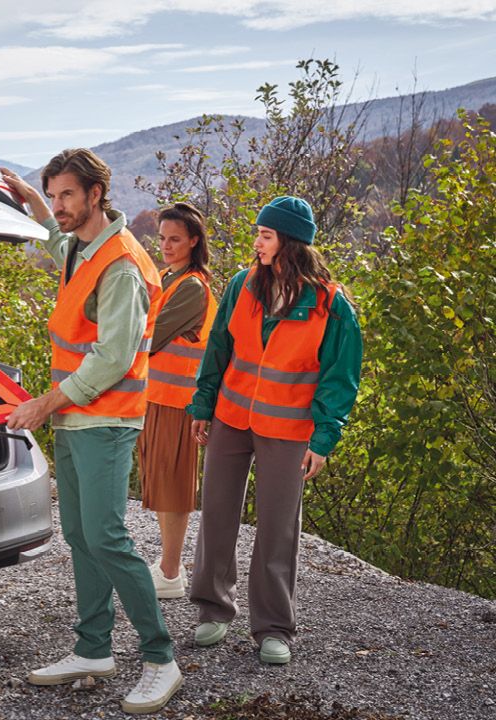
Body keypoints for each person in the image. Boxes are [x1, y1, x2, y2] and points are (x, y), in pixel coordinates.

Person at [1, 152, 181, 716]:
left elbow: (113, 358)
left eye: (67, 196)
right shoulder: (84, 246)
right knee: (80, 534)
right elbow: (61, 246)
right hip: (75, 418)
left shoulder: (122, 266)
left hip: (107, 419)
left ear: (96, 194)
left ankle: (161, 658)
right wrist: (34, 206)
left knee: (106, 537)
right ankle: (93, 649)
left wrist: (43, 404)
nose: (59, 206)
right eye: (53, 195)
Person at [186, 196, 362, 665]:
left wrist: (323, 439)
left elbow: (341, 378)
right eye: (258, 234)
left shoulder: (330, 305)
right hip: (230, 417)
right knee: (216, 513)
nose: (257, 243)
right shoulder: (242, 285)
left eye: (265, 235)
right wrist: (203, 404)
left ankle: (273, 627)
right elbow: (218, 348)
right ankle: (213, 609)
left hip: (288, 428)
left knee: (278, 528)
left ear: (290, 242)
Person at [137, 203, 218, 599]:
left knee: (172, 484)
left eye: (175, 239)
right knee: (160, 482)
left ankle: (171, 572)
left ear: (194, 241)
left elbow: (149, 335)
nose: (166, 246)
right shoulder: (170, 277)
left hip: (177, 402)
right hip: (157, 397)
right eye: (163, 238)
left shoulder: (192, 287)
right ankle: (168, 566)